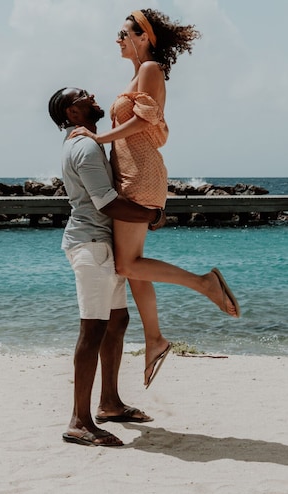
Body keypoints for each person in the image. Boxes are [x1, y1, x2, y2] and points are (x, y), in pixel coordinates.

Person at [70, 9, 239, 388]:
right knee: (134, 265)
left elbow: (145, 121)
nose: (118, 39)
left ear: (143, 37)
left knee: (127, 265)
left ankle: (204, 283)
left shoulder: (151, 69)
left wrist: (98, 139)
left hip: (140, 175)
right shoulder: (139, 73)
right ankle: (154, 339)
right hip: (131, 174)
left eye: (123, 33)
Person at [49, 86, 162, 447]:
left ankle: (110, 403)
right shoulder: (83, 147)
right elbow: (107, 203)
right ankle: (78, 421)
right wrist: (152, 215)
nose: (91, 95)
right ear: (72, 112)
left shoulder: (88, 140)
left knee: (117, 321)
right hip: (92, 247)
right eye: (83, 95)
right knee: (93, 330)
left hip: (102, 246)